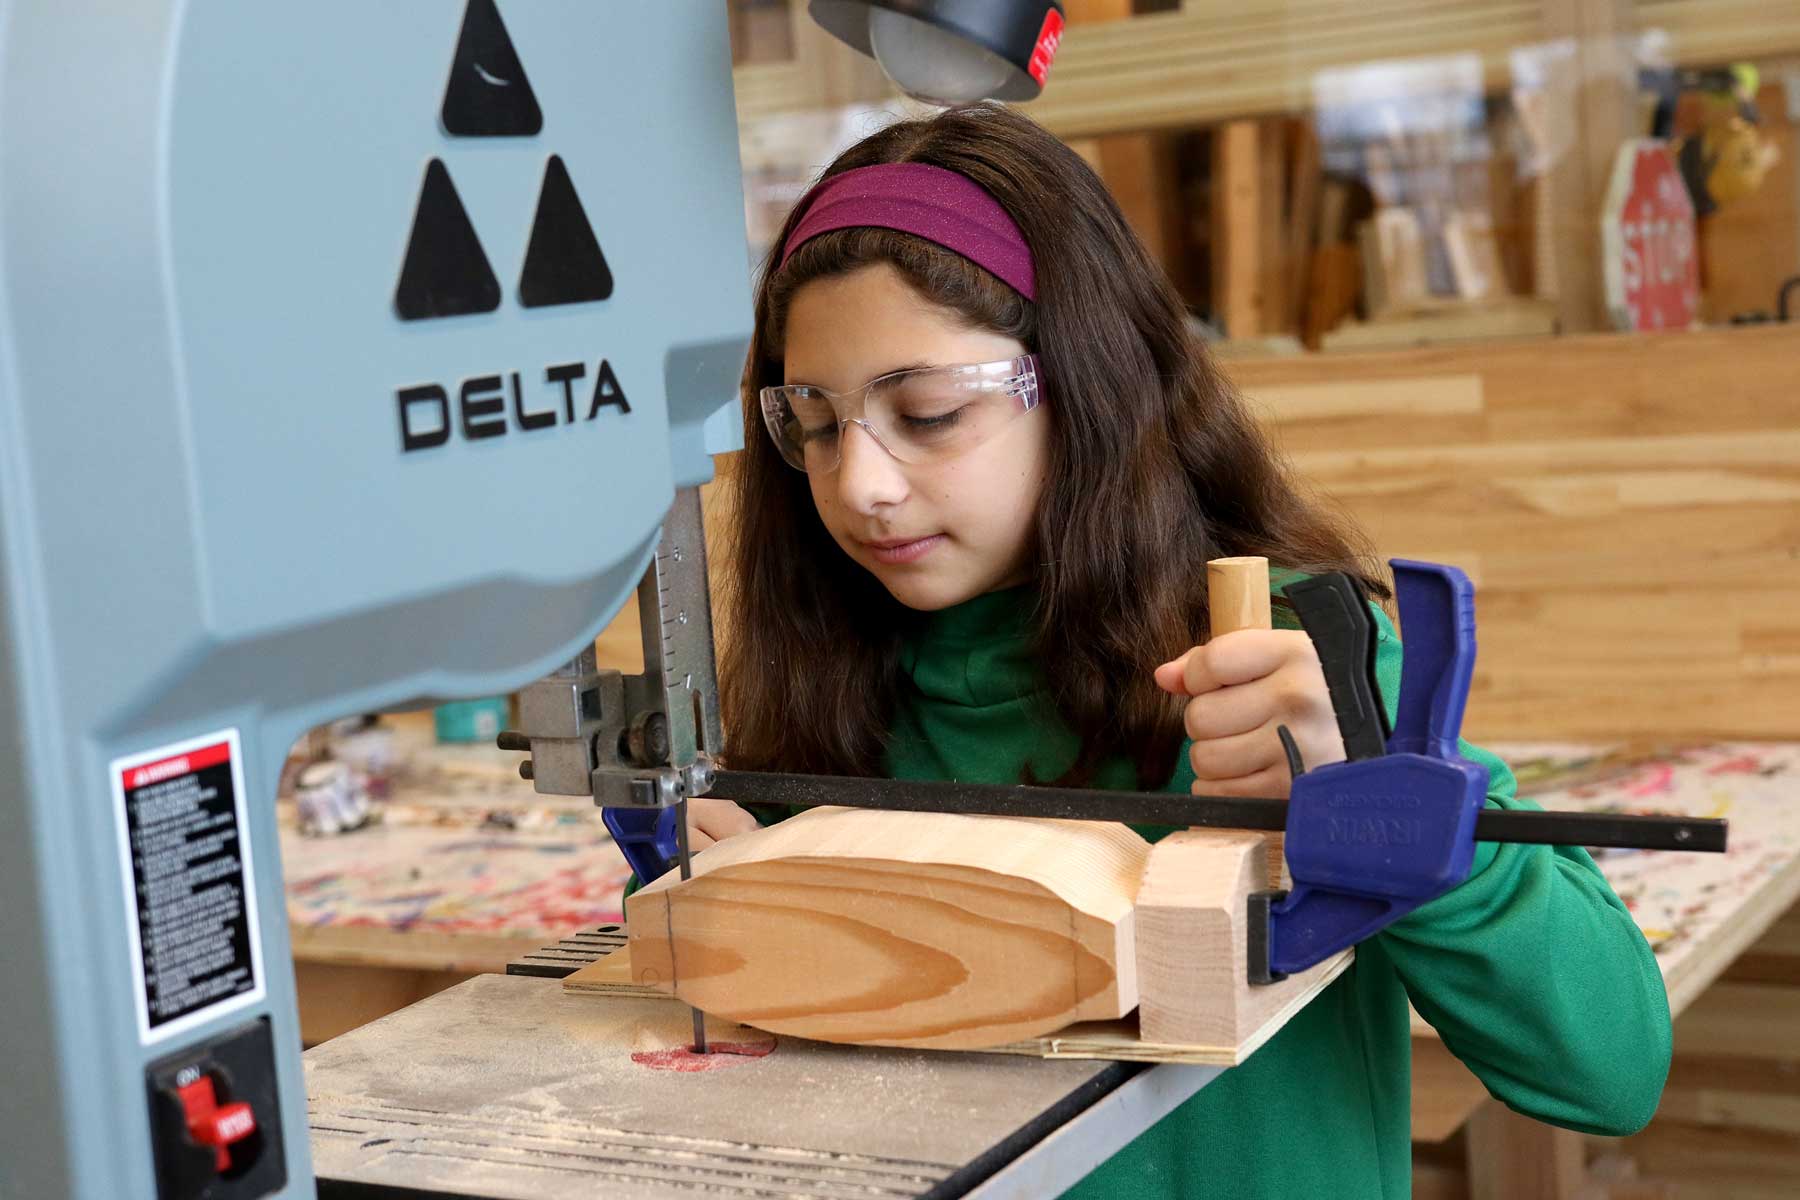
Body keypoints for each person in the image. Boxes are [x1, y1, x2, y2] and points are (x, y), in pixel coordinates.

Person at [684, 102, 1669, 1199]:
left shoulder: (1283, 668)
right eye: (816, 424)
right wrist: (718, 913)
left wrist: (1397, 805)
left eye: (927, 412)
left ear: (1085, 385)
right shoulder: (820, 690)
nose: (859, 483)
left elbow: (1612, 1071)